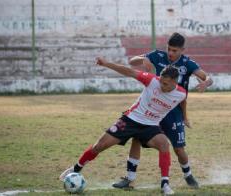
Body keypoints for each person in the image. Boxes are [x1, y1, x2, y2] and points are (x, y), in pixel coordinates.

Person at [60, 57, 188, 195]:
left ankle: (165, 184)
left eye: (166, 84)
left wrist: (185, 117)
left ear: (175, 82)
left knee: (164, 144)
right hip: (130, 120)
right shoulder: (152, 80)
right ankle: (75, 169)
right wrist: (106, 64)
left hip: (150, 125)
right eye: (161, 82)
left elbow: (182, 101)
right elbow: (129, 71)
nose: (162, 86)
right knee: (99, 146)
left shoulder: (181, 93)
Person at [113, 32, 213, 189]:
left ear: (182, 50)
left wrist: (205, 84)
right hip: (153, 109)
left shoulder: (187, 64)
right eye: (169, 49)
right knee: (137, 139)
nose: (171, 53)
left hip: (173, 111)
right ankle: (129, 179)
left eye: (175, 50)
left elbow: (206, 77)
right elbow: (132, 61)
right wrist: (143, 59)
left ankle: (188, 175)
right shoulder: (157, 55)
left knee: (179, 148)